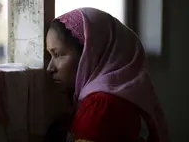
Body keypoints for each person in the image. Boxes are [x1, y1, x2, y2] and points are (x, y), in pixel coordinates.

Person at [46, 8, 169, 142]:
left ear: (89, 55)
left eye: (57, 55)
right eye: (50, 56)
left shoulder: (101, 106)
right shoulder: (122, 98)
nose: (49, 68)